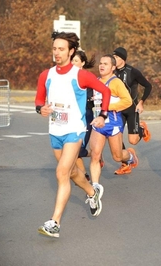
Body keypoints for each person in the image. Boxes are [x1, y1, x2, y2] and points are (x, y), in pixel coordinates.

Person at [35, 31, 111, 238]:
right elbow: (39, 101)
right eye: (54, 48)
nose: (57, 53)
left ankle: (55, 222)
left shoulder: (80, 75)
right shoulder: (46, 75)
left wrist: (103, 115)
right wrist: (41, 109)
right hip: (55, 131)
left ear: (71, 51)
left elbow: (105, 91)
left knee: (61, 173)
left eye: (61, 49)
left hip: (74, 130)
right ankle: (92, 192)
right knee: (71, 173)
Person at [89, 54, 134, 189]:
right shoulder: (96, 81)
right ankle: (95, 187)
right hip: (98, 125)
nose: (101, 66)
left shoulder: (116, 82)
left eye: (105, 64)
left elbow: (128, 101)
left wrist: (107, 107)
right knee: (95, 156)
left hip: (113, 124)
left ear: (113, 67)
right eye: (100, 63)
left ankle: (130, 156)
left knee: (117, 157)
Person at [112, 47, 152, 175]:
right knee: (115, 137)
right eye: (114, 57)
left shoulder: (132, 72)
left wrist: (141, 102)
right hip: (117, 110)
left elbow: (148, 86)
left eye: (117, 57)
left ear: (123, 59)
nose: (115, 59)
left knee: (133, 141)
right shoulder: (111, 71)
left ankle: (141, 129)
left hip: (131, 109)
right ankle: (126, 163)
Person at [71, 49, 96, 181]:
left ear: (82, 63)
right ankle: (85, 176)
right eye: (71, 60)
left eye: (76, 61)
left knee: (78, 150)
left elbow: (96, 93)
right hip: (71, 117)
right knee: (71, 149)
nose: (72, 63)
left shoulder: (86, 77)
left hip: (86, 116)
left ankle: (95, 154)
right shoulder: (67, 78)